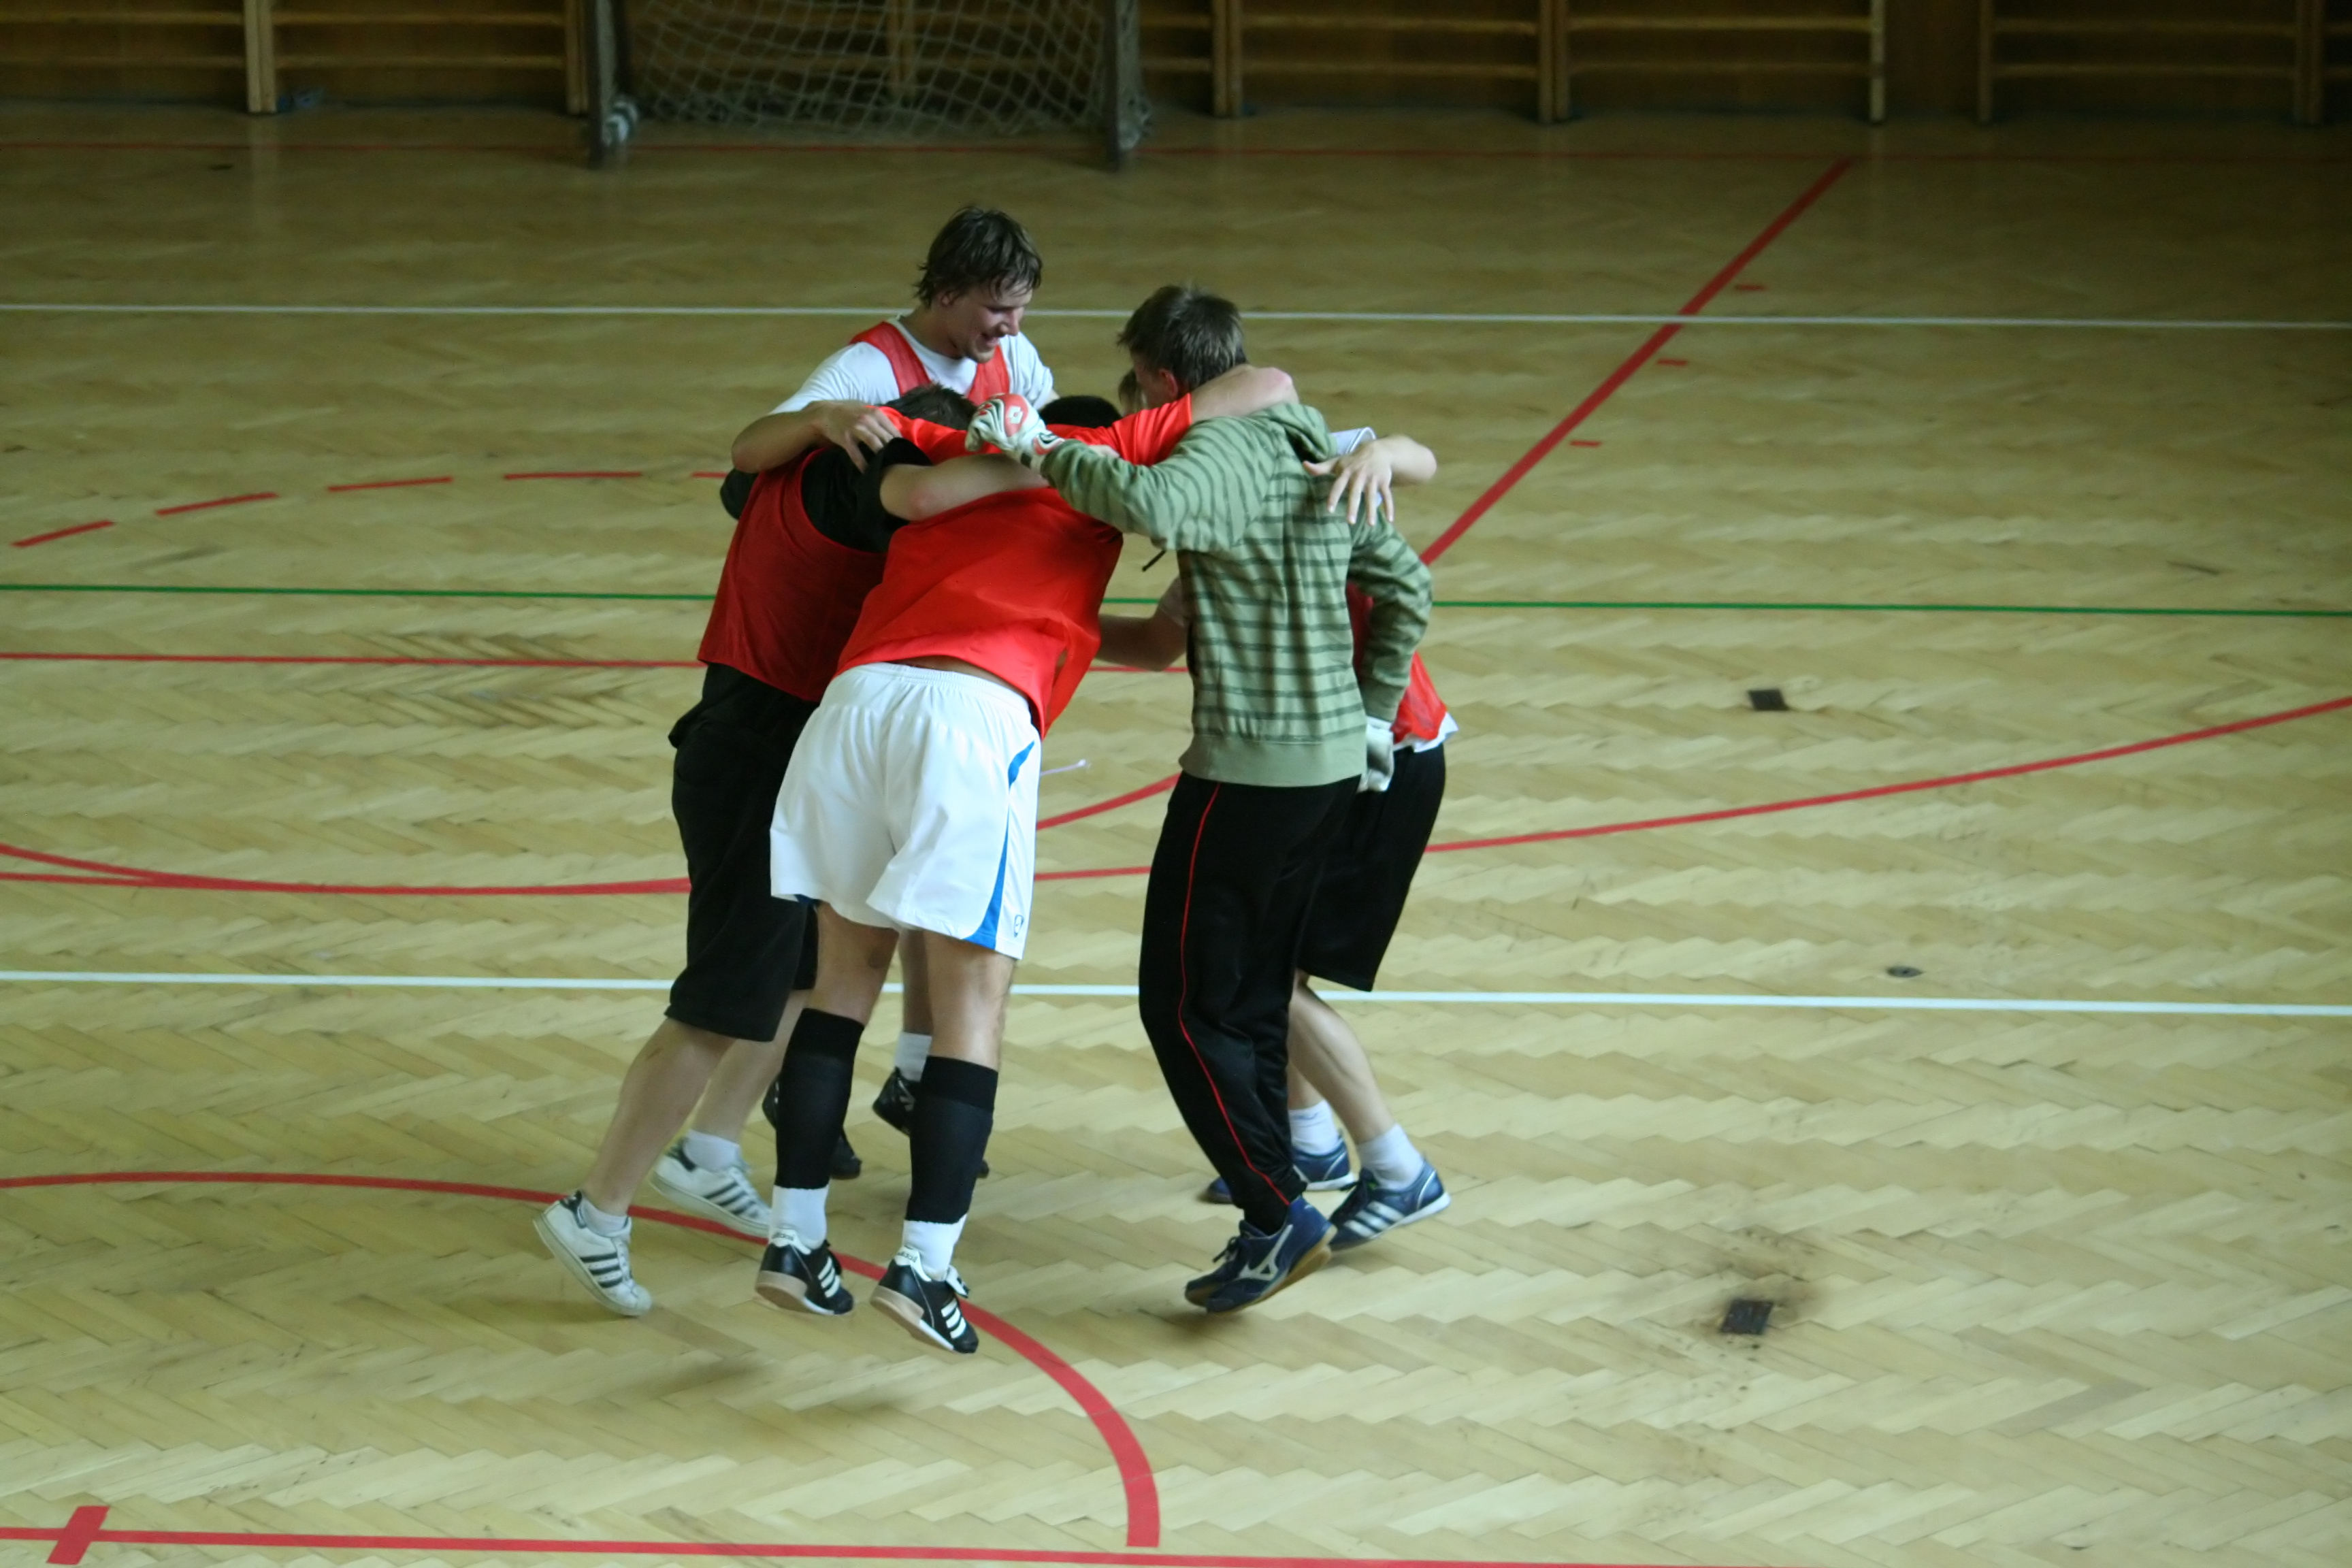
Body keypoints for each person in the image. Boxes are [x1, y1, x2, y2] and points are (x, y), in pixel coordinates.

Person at [755, 368, 1295, 1355]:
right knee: (974, 1008)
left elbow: (1114, 637)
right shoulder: (1095, 465)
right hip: (971, 719)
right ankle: (925, 1267)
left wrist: (1173, 618)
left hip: (857, 707)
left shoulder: (962, 456)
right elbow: (1266, 384)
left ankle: (795, 1242)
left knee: (840, 986)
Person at [1007, 285, 1435, 1315]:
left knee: (1183, 1007)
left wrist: (1040, 447)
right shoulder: (1307, 447)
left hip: (1248, 776)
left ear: (1163, 381)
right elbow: (1409, 588)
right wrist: (1373, 715)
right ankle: (1284, 1188)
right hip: (1329, 771)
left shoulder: (1218, 451)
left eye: (1137, 392)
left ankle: (1274, 1209)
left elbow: (1151, 504)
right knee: (1251, 998)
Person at [533, 387, 978, 1318]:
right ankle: (595, 1212)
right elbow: (924, 503)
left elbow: (743, 454)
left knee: (806, 971)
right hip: (754, 762)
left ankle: (708, 1150)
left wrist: (818, 418)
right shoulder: (869, 496)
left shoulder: (793, 467)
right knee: (719, 1002)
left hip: (761, 750)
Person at [1101, 572, 1456, 1252]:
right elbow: (1155, 644)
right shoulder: (1234, 536)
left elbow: (1409, 557)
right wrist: (1045, 620)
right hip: (1321, 768)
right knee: (1273, 967)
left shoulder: (1307, 529)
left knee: (1263, 975)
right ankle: (1310, 1140)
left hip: (1376, 767)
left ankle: (1398, 1168)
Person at [752, 206, 1057, 419]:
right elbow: (749, 451)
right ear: (948, 293)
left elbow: (1059, 424)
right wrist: (825, 419)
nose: (1013, 328)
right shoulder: (868, 368)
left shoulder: (1012, 352)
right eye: (998, 309)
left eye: (1021, 308)